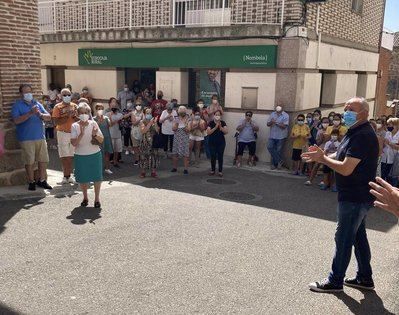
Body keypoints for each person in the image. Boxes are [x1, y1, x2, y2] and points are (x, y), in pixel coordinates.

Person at [303, 97, 378, 293]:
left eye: (351, 109)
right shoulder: (354, 131)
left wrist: (324, 160)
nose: (346, 112)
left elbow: (346, 169)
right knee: (357, 238)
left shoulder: (362, 135)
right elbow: (343, 155)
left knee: (343, 238)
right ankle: (364, 278)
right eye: (345, 109)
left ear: (364, 113)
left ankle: (335, 281)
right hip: (355, 196)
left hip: (355, 196)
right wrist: (323, 155)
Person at [11, 84, 53, 191]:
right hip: (26, 138)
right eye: (26, 92)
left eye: (30, 91)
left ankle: (42, 180)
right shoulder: (17, 105)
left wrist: (40, 115)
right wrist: (30, 113)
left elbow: (48, 117)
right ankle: (31, 181)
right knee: (29, 161)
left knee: (43, 160)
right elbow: (16, 120)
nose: (28, 94)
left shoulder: (37, 103)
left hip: (40, 136)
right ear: (21, 94)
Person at [70, 103, 104, 208]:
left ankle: (97, 199)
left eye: (86, 112)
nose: (84, 115)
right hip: (80, 155)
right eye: (81, 113)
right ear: (77, 113)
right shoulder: (74, 126)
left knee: (97, 177)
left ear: (89, 113)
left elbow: (101, 140)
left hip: (94, 154)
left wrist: (95, 134)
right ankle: (85, 197)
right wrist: (81, 134)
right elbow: (74, 143)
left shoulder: (93, 123)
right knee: (83, 178)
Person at [52, 88, 78, 184]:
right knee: (64, 155)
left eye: (68, 94)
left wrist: (74, 116)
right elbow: (56, 122)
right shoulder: (57, 107)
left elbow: (78, 120)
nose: (67, 97)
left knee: (71, 155)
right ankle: (65, 176)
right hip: (62, 133)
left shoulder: (75, 106)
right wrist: (67, 116)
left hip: (73, 133)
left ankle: (70, 175)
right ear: (61, 96)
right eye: (64, 95)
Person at [305, 117, 331, 186]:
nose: (325, 124)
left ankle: (324, 181)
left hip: (329, 150)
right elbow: (317, 142)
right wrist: (322, 139)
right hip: (321, 149)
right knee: (316, 165)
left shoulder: (331, 130)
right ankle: (310, 180)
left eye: (327, 122)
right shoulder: (319, 131)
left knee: (326, 166)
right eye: (324, 122)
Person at [139, 108, 161, 178]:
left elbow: (157, 131)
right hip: (145, 142)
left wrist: (155, 123)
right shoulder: (142, 121)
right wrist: (150, 123)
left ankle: (153, 171)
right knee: (143, 156)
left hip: (153, 142)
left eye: (150, 113)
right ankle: (143, 172)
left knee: (154, 156)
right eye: (147, 113)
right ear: (144, 114)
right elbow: (143, 131)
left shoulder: (153, 121)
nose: (149, 115)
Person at [267, 104, 289, 170]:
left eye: (280, 106)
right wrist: (271, 122)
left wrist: (276, 123)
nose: (278, 107)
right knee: (269, 147)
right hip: (272, 135)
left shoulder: (286, 115)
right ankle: (279, 161)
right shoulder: (272, 114)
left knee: (278, 151)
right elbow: (268, 124)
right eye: (277, 106)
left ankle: (275, 165)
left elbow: (284, 126)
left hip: (281, 136)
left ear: (282, 108)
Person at [207, 110, 228, 177]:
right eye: (216, 115)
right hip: (212, 142)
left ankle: (220, 171)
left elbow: (226, 132)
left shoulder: (223, 123)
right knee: (213, 156)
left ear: (221, 116)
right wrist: (215, 127)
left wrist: (220, 127)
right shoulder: (210, 123)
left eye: (218, 115)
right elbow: (208, 132)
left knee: (220, 157)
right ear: (214, 115)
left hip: (221, 142)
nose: (217, 116)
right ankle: (213, 170)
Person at [94, 104, 113, 175]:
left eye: (102, 109)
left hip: (107, 137)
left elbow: (110, 125)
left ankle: (107, 168)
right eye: (99, 109)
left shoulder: (106, 118)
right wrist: (99, 120)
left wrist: (109, 117)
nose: (100, 110)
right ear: (96, 110)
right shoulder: (94, 119)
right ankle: (99, 169)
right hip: (99, 139)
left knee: (107, 153)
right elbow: (95, 128)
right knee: (99, 154)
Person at [171, 106, 190, 174]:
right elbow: (173, 129)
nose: (182, 113)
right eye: (180, 111)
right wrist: (177, 122)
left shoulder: (188, 119)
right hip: (177, 138)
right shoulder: (176, 119)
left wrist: (185, 123)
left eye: (183, 111)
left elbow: (188, 130)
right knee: (175, 153)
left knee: (185, 154)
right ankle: (174, 167)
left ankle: (185, 169)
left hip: (185, 139)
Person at [106, 98, 124, 168]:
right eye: (112, 106)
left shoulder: (119, 114)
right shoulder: (107, 114)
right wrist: (112, 117)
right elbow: (110, 124)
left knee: (117, 149)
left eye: (115, 106)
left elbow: (121, 119)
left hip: (118, 134)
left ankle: (115, 161)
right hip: (110, 134)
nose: (114, 107)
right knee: (110, 150)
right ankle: (107, 163)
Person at [380, 118, 399, 184]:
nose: (388, 126)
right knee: (382, 176)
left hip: (394, 160)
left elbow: (397, 147)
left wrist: (389, 143)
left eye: (389, 125)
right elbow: (383, 144)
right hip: (384, 158)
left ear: (395, 125)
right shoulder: (387, 133)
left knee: (391, 178)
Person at [130, 100, 144, 166]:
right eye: (137, 105)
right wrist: (139, 119)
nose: (138, 106)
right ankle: (136, 160)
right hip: (134, 131)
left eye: (140, 105)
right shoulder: (133, 113)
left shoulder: (144, 112)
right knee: (135, 146)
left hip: (142, 131)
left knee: (141, 146)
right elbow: (134, 123)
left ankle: (142, 159)